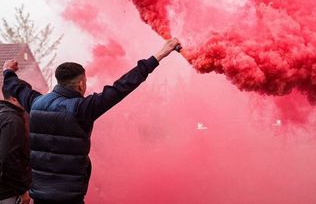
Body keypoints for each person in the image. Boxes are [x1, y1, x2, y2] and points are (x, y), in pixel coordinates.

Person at [2, 38, 181, 204]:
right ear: (81, 84)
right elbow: (122, 86)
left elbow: (14, 87)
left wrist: (8, 71)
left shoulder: (36, 103)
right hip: (69, 197)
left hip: (39, 195)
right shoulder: (82, 109)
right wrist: (160, 54)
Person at [0, 85, 31, 204]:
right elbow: (8, 158)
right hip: (7, 192)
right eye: (25, 95)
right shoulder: (12, 120)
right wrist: (22, 190)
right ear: (14, 98)